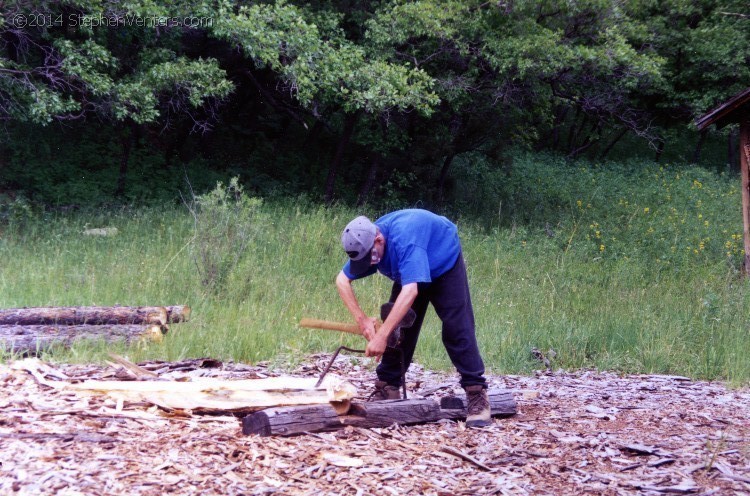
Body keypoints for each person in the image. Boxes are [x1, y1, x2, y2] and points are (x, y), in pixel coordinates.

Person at [336, 209, 491, 427]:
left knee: (457, 327)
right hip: (408, 268)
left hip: (442, 261)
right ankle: (388, 386)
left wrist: (380, 335)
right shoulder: (366, 242)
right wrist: (362, 320)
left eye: (371, 257)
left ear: (379, 240)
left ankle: (476, 394)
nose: (370, 264)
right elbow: (342, 281)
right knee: (397, 327)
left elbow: (410, 292)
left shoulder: (405, 241)